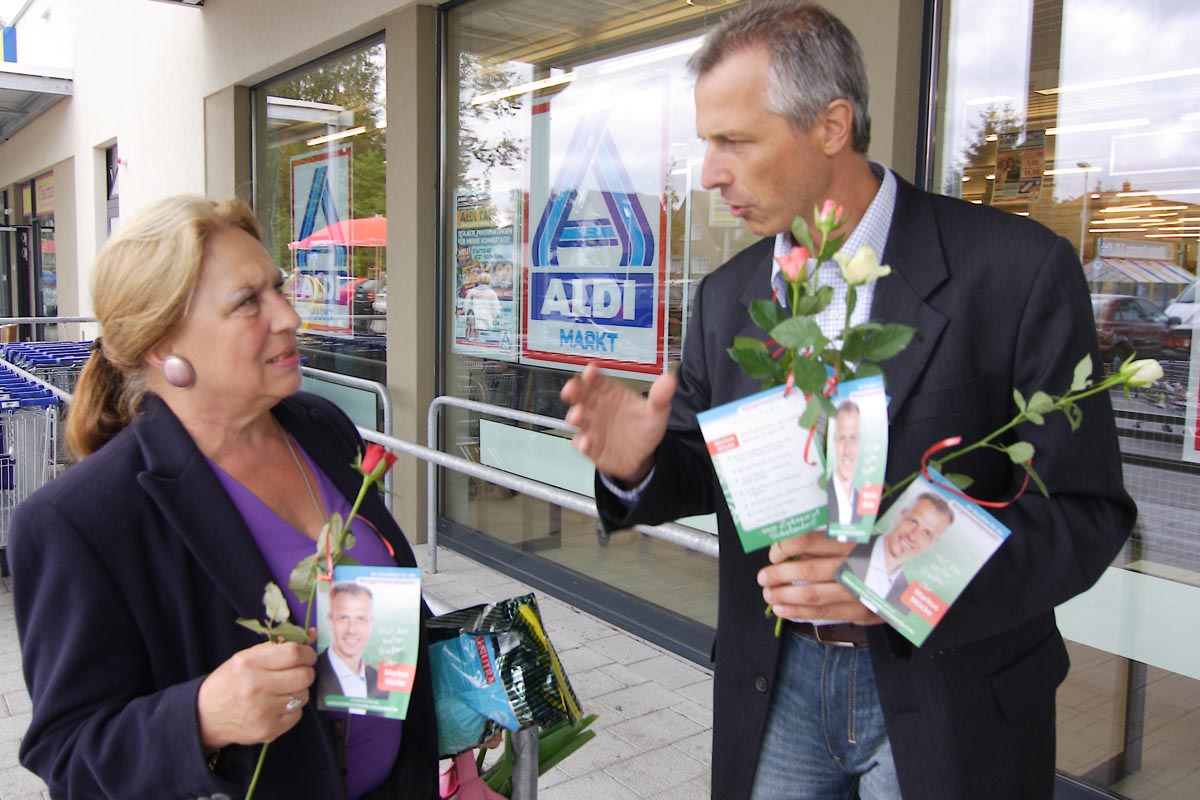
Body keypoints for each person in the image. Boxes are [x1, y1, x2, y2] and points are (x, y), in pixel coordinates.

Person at [559, 2, 1136, 798]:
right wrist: (639, 465)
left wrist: (891, 576)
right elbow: (706, 467)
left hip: (953, 692)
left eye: (735, 141)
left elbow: (1083, 513)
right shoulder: (728, 296)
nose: (710, 173)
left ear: (831, 126)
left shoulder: (1016, 271)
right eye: (706, 143)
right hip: (776, 682)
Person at [8, 196, 439, 799]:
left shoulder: (319, 426)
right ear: (162, 345)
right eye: (247, 302)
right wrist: (201, 717)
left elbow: (379, 609)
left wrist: (455, 713)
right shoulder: (79, 519)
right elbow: (69, 754)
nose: (288, 316)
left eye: (277, 288)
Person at [843, 492, 954, 607]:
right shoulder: (850, 544)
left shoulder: (906, 600)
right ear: (899, 516)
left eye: (927, 533)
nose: (912, 536)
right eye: (913, 521)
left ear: (932, 544)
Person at [317, 582, 391, 702]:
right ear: (330, 621)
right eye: (343, 618)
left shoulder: (381, 682)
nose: (352, 630)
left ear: (371, 624)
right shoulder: (311, 672)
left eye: (361, 619)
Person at [827, 399, 861, 525]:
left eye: (853, 438)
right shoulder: (820, 495)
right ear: (833, 441)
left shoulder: (864, 503)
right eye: (842, 438)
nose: (847, 450)